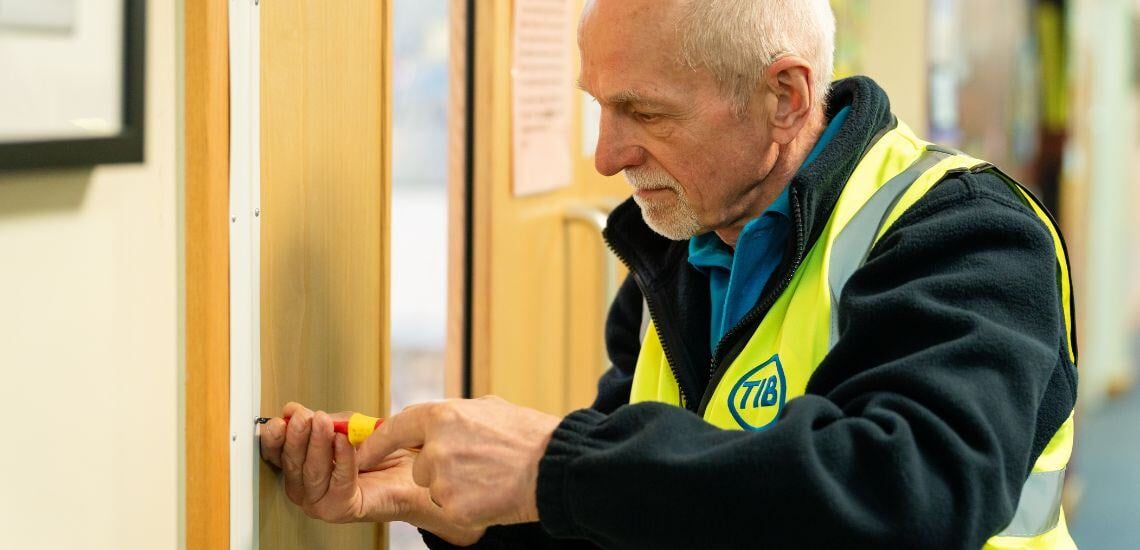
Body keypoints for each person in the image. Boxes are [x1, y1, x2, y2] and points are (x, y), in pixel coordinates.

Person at [260, 0, 1079, 548]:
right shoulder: (680, 248)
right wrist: (456, 508)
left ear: (785, 97)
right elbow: (647, 512)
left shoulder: (969, 233)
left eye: (645, 113)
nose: (606, 155)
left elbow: (911, 494)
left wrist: (552, 461)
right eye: (600, 107)